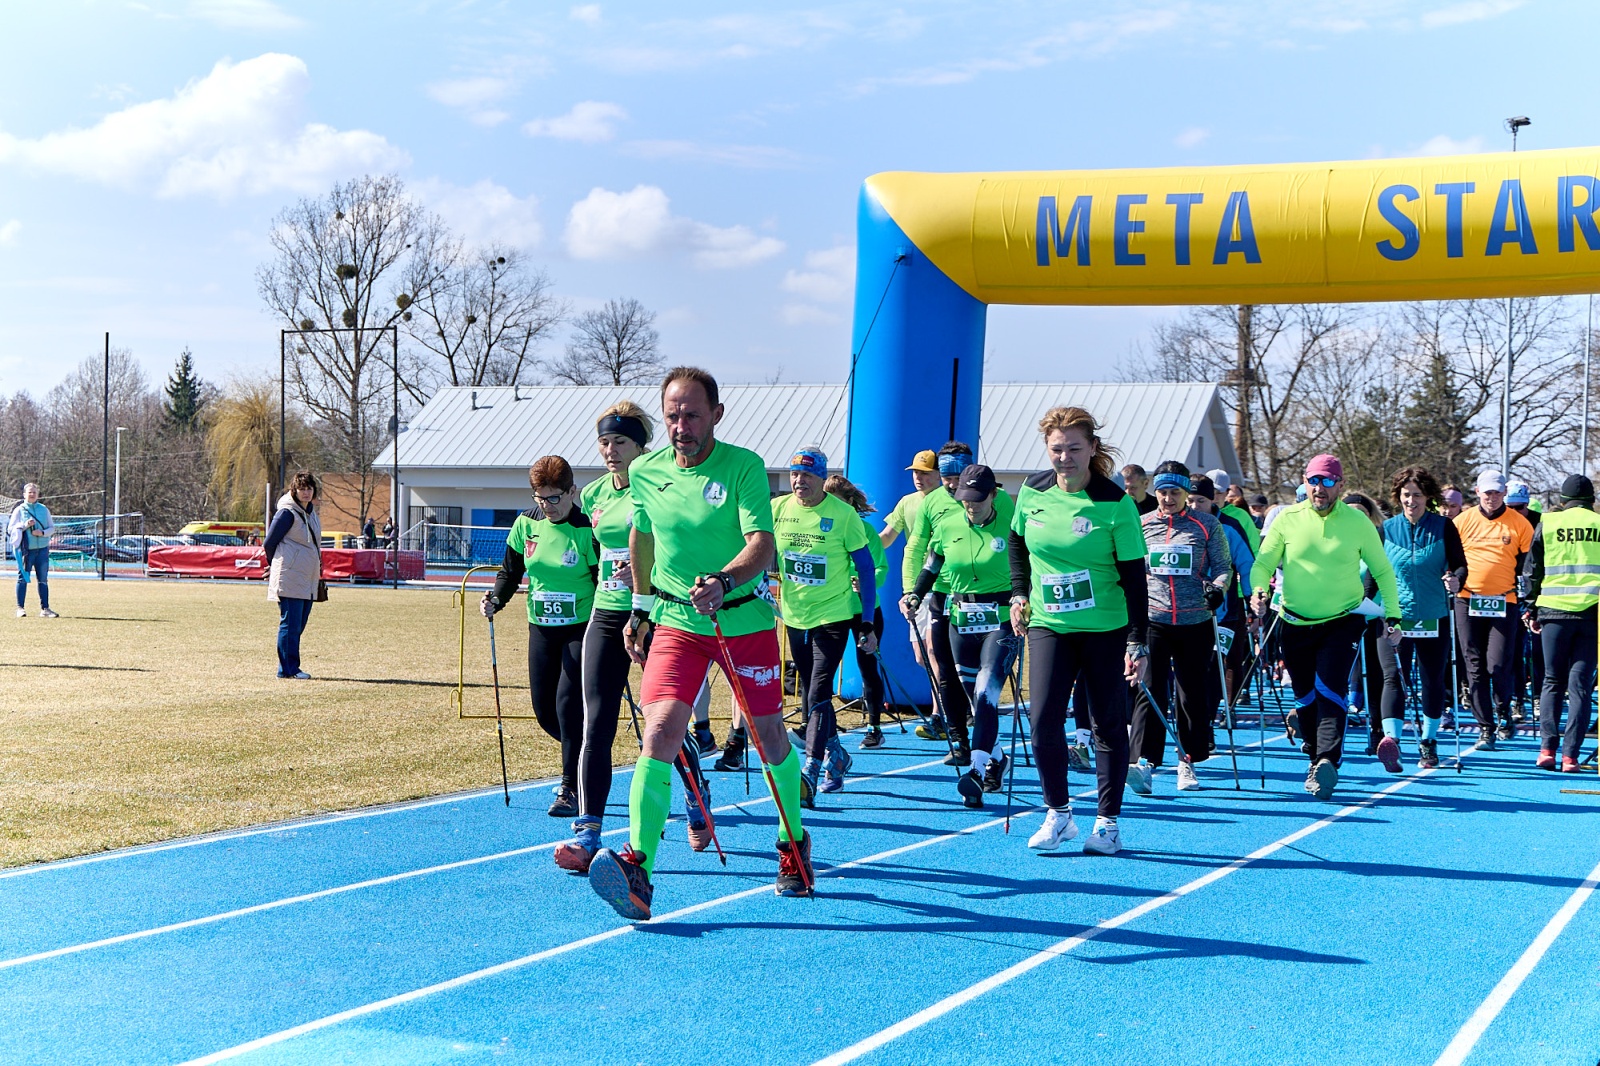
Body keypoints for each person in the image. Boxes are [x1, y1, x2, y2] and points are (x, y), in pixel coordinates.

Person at [588, 367, 810, 921]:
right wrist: (639, 608)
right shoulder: (647, 471)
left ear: (716, 415)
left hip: (742, 621)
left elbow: (762, 544)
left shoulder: (743, 466)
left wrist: (724, 581)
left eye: (691, 415)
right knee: (660, 730)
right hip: (675, 621)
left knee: (767, 735)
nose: (680, 426)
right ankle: (638, 866)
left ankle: (792, 842)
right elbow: (642, 535)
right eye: (671, 416)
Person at [553, 403, 716, 873]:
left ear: (641, 446)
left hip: (657, 613)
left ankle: (695, 793)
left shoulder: (660, 482)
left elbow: (678, 541)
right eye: (604, 442)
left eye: (620, 442)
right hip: (608, 613)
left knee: (660, 725)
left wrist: (645, 570)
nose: (610, 451)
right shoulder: (594, 494)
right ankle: (587, 833)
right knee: (596, 722)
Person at [1009, 407, 1149, 855]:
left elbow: (1135, 579)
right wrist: (1018, 594)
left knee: (1107, 723)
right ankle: (1059, 814)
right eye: (1057, 449)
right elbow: (1016, 542)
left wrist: (1138, 641)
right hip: (1049, 624)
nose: (1064, 457)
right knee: (1042, 720)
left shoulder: (1115, 503)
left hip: (1105, 628)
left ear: (1092, 448)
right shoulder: (1032, 491)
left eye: (1074, 448)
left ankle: (1107, 824)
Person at [1250, 455, 1401, 800]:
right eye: (1314, 481)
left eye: (1328, 482)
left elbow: (1383, 571)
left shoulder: (1357, 522)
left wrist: (1393, 616)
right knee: (1304, 696)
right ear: (1305, 483)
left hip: (1342, 621)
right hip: (1294, 620)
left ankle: (1326, 761)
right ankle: (1313, 754)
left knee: (1330, 690)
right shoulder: (1287, 519)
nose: (1320, 489)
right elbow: (1263, 564)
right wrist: (1258, 591)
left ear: (1340, 485)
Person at [481, 456, 598, 819]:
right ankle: (589, 754)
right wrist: (495, 599)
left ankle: (570, 786)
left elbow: (601, 580)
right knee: (544, 711)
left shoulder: (586, 528)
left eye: (554, 498)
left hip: (581, 626)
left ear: (572, 492)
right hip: (541, 626)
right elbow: (510, 572)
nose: (547, 506)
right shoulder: (525, 524)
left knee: (566, 703)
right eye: (540, 498)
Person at [903, 463, 1018, 807]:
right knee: (975, 699)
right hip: (961, 620)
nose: (971, 505)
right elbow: (932, 565)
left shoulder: (1012, 526)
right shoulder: (949, 524)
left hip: (1001, 620)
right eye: (966, 498)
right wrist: (914, 594)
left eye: (978, 499)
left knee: (986, 693)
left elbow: (1029, 567)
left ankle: (977, 771)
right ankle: (997, 758)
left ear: (993, 495)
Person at [771, 445, 877, 804]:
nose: (799, 481)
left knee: (818, 691)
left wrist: (866, 621)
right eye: (794, 475)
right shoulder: (779, 509)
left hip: (833, 614)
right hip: (794, 614)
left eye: (807, 475)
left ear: (821, 479)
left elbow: (866, 569)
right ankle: (837, 753)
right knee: (809, 691)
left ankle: (811, 770)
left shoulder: (843, 515)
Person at [1128, 461, 1232, 793]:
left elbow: (1223, 567)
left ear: (1186, 493)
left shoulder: (1206, 524)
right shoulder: (1141, 524)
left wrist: (1217, 588)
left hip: (1195, 620)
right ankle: (1144, 762)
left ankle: (1187, 761)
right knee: (1150, 690)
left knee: (1191, 694)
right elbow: (1131, 570)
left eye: (1175, 492)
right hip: (1154, 620)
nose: (1168, 499)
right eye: (1162, 492)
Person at [1379, 468, 1467, 771]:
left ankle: (1429, 742)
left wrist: (1456, 580)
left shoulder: (1443, 527)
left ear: (1428, 497)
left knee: (1432, 679)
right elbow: (1375, 572)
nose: (1411, 501)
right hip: (1395, 615)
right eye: (1406, 495)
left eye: (1417, 495)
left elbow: (1460, 565)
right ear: (1398, 497)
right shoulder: (1387, 528)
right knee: (1393, 677)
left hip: (1433, 615)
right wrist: (1366, 604)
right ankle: (1392, 741)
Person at [902, 441, 977, 754]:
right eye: (947, 477)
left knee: (968, 667)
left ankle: (973, 722)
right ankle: (957, 735)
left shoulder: (992, 496)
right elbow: (915, 547)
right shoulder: (932, 502)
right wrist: (910, 591)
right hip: (939, 591)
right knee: (937, 662)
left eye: (959, 477)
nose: (953, 484)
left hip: (979, 594)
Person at [1523, 474, 1600, 773]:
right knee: (1580, 686)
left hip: (1553, 612)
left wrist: (1531, 608)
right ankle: (1571, 757)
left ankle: (1547, 750)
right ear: (1591, 500)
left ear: (1563, 500)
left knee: (1552, 681)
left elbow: (1532, 569)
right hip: (1592, 614)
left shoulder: (1549, 523)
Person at [1453, 468, 1534, 748]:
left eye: (1497, 492)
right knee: (1474, 665)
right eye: (1487, 492)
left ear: (1504, 493)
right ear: (1477, 492)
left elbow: (1529, 565)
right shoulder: (1462, 521)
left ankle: (1503, 711)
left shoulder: (1519, 523)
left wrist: (1529, 597)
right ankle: (1485, 727)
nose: (1492, 497)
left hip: (1504, 600)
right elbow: (1452, 559)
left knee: (1498, 664)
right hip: (1468, 599)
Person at [874, 448, 946, 738]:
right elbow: (887, 536)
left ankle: (940, 715)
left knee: (934, 651)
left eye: (926, 473)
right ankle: (953, 703)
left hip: (942, 586)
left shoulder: (948, 501)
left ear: (939, 475)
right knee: (921, 656)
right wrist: (857, 549)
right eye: (916, 472)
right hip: (915, 588)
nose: (919, 477)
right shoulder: (907, 502)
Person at [825, 473, 891, 749]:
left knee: (867, 666)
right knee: (823, 668)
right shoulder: (824, 528)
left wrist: (866, 581)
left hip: (865, 611)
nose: (832, 507)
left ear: (850, 503)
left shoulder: (865, 531)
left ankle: (874, 727)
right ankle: (818, 726)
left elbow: (881, 569)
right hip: (833, 610)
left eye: (837, 502)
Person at [1188, 476, 1256, 711]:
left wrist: (1253, 601)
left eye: (1201, 500)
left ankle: (1210, 717)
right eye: (1190, 500)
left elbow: (1247, 565)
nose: (1195, 506)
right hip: (1186, 610)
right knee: (1192, 667)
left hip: (1223, 610)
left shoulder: (1229, 526)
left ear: (1213, 500)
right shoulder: (1180, 523)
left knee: (1217, 664)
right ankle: (1196, 719)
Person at [263, 471, 323, 678]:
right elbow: (269, 543)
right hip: (290, 576)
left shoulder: (311, 513)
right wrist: (275, 565)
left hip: (306, 577)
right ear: (294, 490)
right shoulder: (287, 513)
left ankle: (287, 668)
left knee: (298, 625)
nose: (306, 492)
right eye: (301, 489)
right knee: (290, 624)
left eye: (309, 488)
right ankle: (289, 670)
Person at [10, 483, 57, 619]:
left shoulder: (44, 509)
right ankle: (20, 608)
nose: (32, 494)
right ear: (24, 494)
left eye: (34, 492)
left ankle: (45, 609)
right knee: (22, 578)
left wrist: (42, 533)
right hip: (26, 551)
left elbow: (52, 528)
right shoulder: (19, 510)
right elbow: (11, 529)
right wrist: (25, 525)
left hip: (42, 550)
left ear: (38, 494)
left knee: (43, 580)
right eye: (29, 492)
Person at [1208, 469, 1262, 556]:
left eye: (1219, 493)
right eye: (1211, 491)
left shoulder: (1241, 515)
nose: (1214, 497)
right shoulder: (1196, 512)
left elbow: (1253, 548)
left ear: (1227, 493)